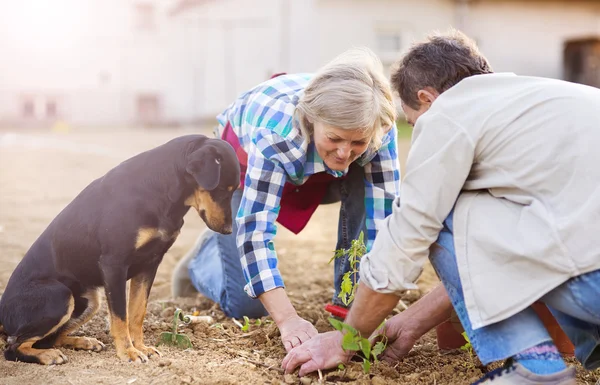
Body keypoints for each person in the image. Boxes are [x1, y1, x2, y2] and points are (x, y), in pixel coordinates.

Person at [282, 29, 600, 385]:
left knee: (446, 205)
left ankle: (536, 368)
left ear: (426, 98)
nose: (420, 130)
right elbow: (492, 253)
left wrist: (347, 338)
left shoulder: (449, 112)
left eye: (414, 122)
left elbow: (409, 238)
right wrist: (412, 320)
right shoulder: (556, 98)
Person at [171, 47, 401, 352]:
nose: (345, 152)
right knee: (248, 307)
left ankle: (347, 301)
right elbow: (256, 231)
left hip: (317, 169)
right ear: (312, 120)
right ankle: (203, 260)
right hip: (239, 164)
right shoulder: (276, 133)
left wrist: (363, 313)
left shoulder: (378, 126)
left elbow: (383, 220)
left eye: (357, 142)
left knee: (363, 181)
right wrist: (288, 319)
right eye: (334, 138)